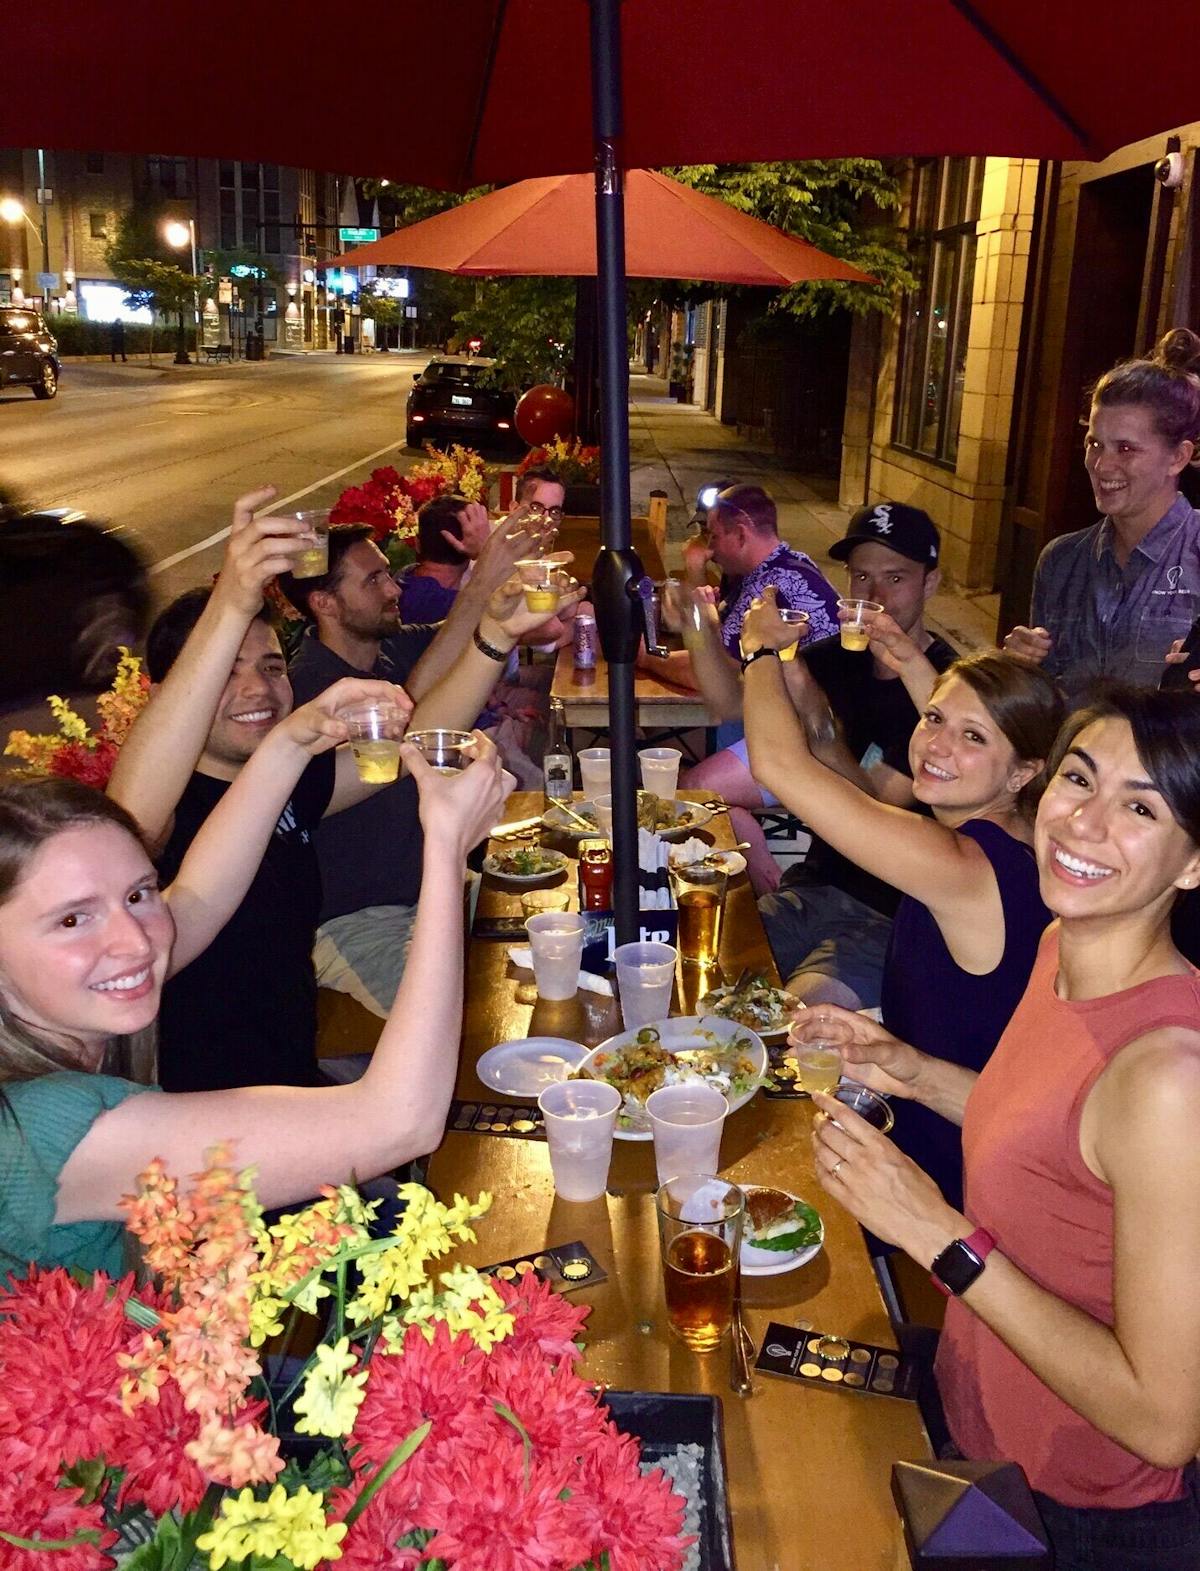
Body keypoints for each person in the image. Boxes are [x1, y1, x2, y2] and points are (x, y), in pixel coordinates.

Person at [801, 686, 1200, 1570]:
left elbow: (1166, 1423)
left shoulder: (1171, 1080)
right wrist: (915, 1070)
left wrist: (937, 1234)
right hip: (976, 1415)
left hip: (1075, 1516)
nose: (1084, 824)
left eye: (1140, 806)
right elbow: (1058, 1143)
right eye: (1078, 779)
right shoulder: (1066, 946)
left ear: (1193, 862)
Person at [0, 727, 511, 1280]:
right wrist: (445, 847)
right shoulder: (36, 1127)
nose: (135, 942)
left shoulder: (68, 1001)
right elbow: (398, 1122)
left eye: (138, 894)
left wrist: (290, 742)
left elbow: (201, 894)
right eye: (72, 919)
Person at [108, 488, 559, 1086]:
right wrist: (232, 602)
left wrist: (496, 639)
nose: (257, 690)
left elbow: (411, 744)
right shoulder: (165, 823)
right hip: (213, 1129)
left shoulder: (285, 783)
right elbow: (131, 819)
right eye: (226, 672)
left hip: (293, 1084)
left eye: (271, 668)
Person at [742, 590, 1064, 1220]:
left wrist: (758, 648)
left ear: (1024, 773)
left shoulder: (962, 866)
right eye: (934, 719)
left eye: (971, 736)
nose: (936, 745)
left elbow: (778, 764)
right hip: (949, 1111)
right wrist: (918, 664)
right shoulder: (1022, 835)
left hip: (937, 1165)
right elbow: (967, 736)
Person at [282, 509, 572, 1014]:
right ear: (325, 602)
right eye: (373, 579)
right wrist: (485, 585)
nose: (394, 588)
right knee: (462, 1016)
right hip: (359, 920)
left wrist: (494, 590)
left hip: (435, 892)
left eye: (387, 574)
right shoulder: (310, 693)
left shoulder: (386, 649)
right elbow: (407, 737)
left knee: (566, 932)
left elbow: (455, 636)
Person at [682, 501, 956, 908]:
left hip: (886, 904)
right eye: (862, 577)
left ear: (929, 583)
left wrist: (813, 711)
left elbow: (875, 811)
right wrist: (699, 623)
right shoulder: (838, 656)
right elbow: (730, 703)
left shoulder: (943, 688)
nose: (875, 595)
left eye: (895, 578)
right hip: (817, 881)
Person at [1005, 328, 1200, 700]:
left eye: (1125, 448)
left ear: (1178, 456)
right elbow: (1042, 706)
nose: (1101, 464)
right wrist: (1016, 669)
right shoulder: (1061, 561)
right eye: (1094, 443)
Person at [636, 483, 840, 698]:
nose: (710, 548)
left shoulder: (767, 588)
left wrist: (644, 658)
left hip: (814, 720)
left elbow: (710, 676)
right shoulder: (792, 562)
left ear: (741, 535)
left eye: (714, 536)